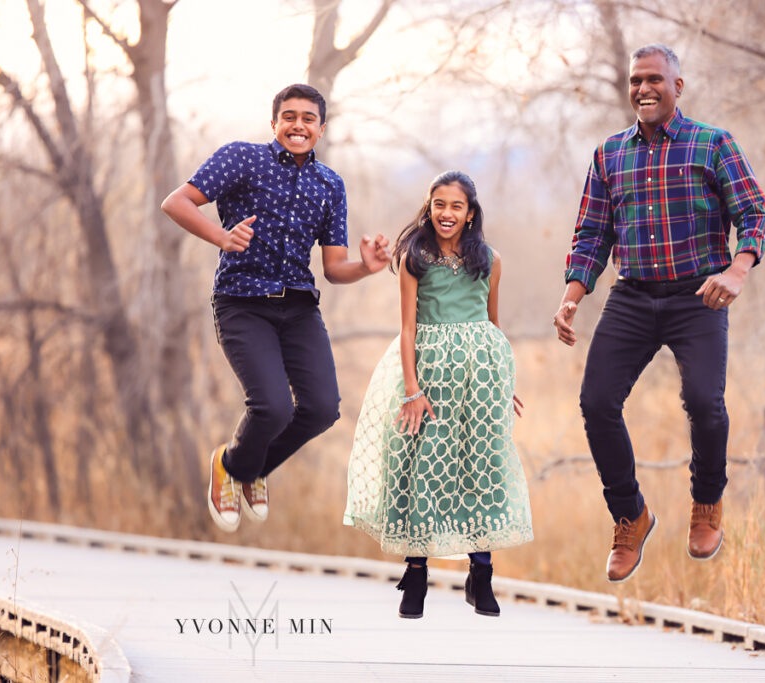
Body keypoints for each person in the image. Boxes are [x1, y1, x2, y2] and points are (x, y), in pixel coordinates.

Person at [553, 44, 765, 582]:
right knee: (596, 402)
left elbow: (753, 212)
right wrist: (574, 294)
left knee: (703, 400)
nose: (643, 89)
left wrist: (737, 271)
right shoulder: (609, 154)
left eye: (654, 79)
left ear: (678, 85)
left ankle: (706, 503)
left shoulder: (712, 143)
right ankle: (630, 515)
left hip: (699, 295)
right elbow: (592, 233)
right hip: (633, 294)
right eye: (635, 81)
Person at [161, 83, 391, 533]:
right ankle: (229, 466)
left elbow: (333, 268)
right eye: (289, 116)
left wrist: (364, 267)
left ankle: (248, 469)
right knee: (272, 407)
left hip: (299, 309)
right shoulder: (241, 158)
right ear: (274, 123)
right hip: (242, 304)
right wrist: (222, 238)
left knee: (323, 408)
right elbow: (177, 202)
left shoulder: (330, 184)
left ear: (321, 129)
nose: (298, 125)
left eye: (308, 118)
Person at [344, 170, 533, 619]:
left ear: (470, 214)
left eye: (457, 206)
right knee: (422, 462)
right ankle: (416, 572)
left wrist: (502, 384)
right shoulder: (415, 257)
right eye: (439, 204)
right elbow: (408, 327)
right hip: (427, 372)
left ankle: (481, 570)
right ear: (429, 208)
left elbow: (492, 325)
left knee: (481, 461)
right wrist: (412, 390)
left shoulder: (490, 259)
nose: (447, 213)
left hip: (482, 374)